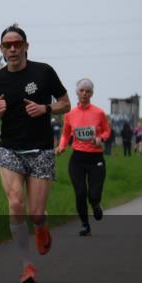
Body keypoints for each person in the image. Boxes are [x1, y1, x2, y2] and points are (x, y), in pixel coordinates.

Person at [0, 24, 70, 283]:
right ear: (1, 49)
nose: (12, 49)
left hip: (41, 149)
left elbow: (66, 103)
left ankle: (42, 226)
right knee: (16, 205)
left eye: (17, 44)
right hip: (10, 149)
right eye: (7, 45)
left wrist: (45, 108)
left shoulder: (43, 72)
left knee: (36, 213)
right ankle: (26, 265)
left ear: (26, 46)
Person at [56, 79, 110, 236]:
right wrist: (61, 146)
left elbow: (107, 131)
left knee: (93, 195)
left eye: (87, 91)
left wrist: (101, 139)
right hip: (78, 159)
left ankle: (96, 205)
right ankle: (85, 224)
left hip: (96, 158)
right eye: (82, 90)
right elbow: (65, 134)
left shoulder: (99, 113)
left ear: (92, 94)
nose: (84, 93)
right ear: (77, 92)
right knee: (80, 193)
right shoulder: (70, 114)